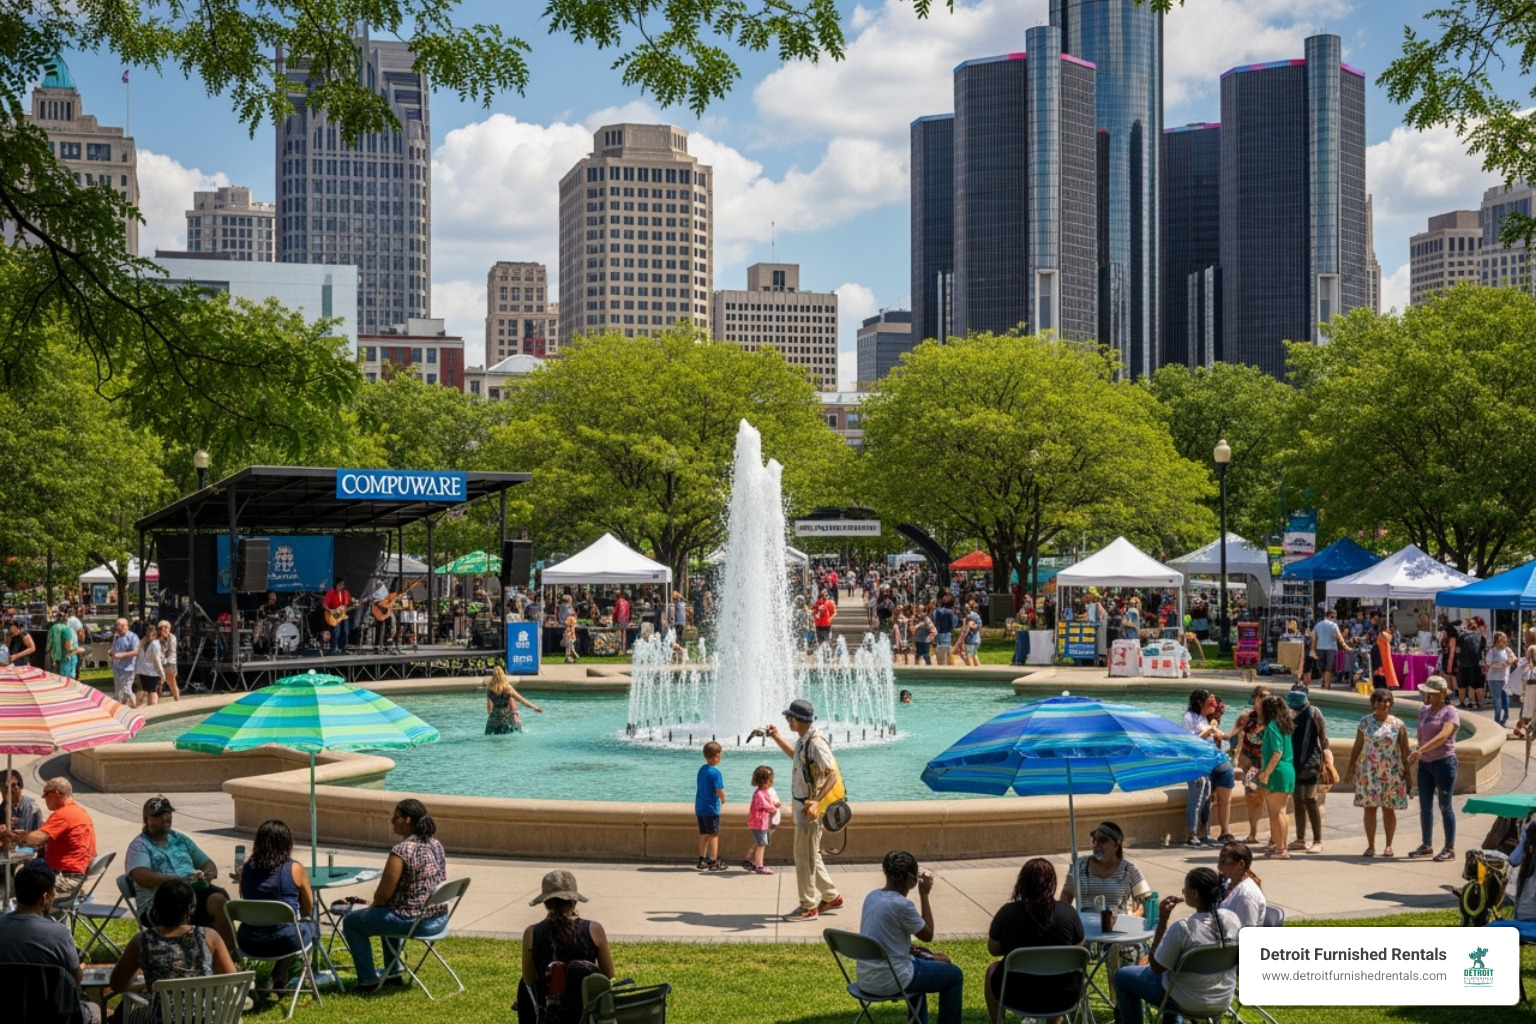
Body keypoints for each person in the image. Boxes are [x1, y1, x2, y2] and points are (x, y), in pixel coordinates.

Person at [341, 798, 450, 991]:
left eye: (396, 817)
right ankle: (393, 972)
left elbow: (383, 895)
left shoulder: (401, 851)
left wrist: (370, 905)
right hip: (439, 918)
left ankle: (368, 980)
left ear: (407, 820)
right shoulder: (436, 844)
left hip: (415, 922)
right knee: (389, 911)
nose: (392, 821)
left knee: (351, 922)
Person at [1113, 868, 1240, 1024]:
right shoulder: (1232, 919)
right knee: (1172, 979)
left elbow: (1156, 968)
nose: (1183, 892)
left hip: (1184, 999)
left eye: (1185, 889)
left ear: (1194, 894)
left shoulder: (1183, 928)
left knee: (1122, 976)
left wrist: (1162, 921)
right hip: (1222, 999)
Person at [856, 851, 963, 1024]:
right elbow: (927, 935)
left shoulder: (872, 897)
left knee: (917, 967)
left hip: (866, 978)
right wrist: (924, 894)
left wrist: (928, 958)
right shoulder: (902, 905)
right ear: (911, 879)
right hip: (893, 979)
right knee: (954, 975)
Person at [110, 878, 238, 1018]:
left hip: (162, 1019)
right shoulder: (210, 937)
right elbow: (230, 978)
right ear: (192, 909)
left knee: (120, 1015)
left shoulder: (141, 942)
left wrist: (144, 985)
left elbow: (117, 984)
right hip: (205, 1018)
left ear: (156, 908)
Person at [765, 699, 842, 920]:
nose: (788, 721)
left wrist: (817, 801)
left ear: (798, 720)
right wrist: (777, 737)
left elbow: (832, 774)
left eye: (789, 717)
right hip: (802, 806)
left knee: (804, 858)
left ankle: (808, 907)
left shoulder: (816, 743)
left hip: (810, 809)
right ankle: (831, 896)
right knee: (810, 855)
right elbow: (795, 757)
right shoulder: (803, 741)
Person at [125, 796, 234, 952]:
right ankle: (207, 957)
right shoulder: (140, 845)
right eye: (160, 815)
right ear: (148, 820)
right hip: (159, 903)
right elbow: (140, 875)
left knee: (218, 898)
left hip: (189, 894)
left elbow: (207, 864)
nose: (166, 817)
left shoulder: (180, 839)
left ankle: (230, 956)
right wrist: (174, 880)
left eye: (168, 813)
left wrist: (208, 874)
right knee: (208, 905)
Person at [984, 858, 1083, 1021]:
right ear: (1052, 883)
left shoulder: (1008, 913)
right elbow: (1079, 949)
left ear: (1021, 883)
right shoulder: (1068, 913)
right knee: (1061, 973)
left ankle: (998, 1021)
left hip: (1016, 996)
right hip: (1061, 997)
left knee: (992, 970)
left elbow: (993, 949)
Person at [0, 861, 99, 1023]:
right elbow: (76, 978)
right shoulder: (59, 934)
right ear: (45, 897)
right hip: (51, 1016)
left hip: (7, 1013)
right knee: (95, 1009)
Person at [517, 870, 615, 1024]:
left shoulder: (531, 933)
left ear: (545, 903)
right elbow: (608, 975)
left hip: (549, 1016)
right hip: (586, 1015)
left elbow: (529, 979)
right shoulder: (594, 929)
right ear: (574, 901)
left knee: (523, 986)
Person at [236, 820, 316, 994]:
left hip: (248, 942)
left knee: (286, 928)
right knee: (307, 924)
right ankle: (282, 971)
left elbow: (244, 895)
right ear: (287, 843)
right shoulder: (295, 869)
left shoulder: (247, 868)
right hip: (283, 943)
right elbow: (309, 908)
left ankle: (280, 972)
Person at [1346, 688, 1411, 857]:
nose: (1383, 704)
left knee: (1389, 809)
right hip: (1369, 771)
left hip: (1392, 772)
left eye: (1387, 701)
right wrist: (1351, 768)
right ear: (1373, 703)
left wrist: (1409, 774)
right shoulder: (1365, 722)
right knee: (1370, 808)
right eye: (1379, 701)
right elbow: (1357, 746)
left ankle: (1389, 845)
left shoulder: (1398, 724)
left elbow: (1405, 750)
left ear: (1391, 703)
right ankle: (1371, 846)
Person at [5, 777, 96, 897]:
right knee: (26, 874)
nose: (44, 798)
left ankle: (21, 914)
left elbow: (37, 839)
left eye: (46, 794)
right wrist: (26, 835)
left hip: (67, 878)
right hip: (79, 875)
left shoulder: (64, 814)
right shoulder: (79, 811)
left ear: (56, 793)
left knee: (22, 884)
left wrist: (14, 837)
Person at [1406, 675, 1460, 862]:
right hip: (1426, 764)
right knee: (1425, 806)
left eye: (1430, 692)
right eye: (1426, 691)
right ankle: (1426, 844)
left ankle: (1449, 847)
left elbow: (1444, 735)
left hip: (1444, 763)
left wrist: (1420, 751)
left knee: (1445, 806)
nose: (1426, 695)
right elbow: (1421, 734)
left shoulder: (1450, 712)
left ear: (1441, 694)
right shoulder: (1424, 710)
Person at [1060, 821, 1151, 915]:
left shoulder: (1128, 869)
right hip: (1085, 925)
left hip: (1118, 925)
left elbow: (1146, 900)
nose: (1097, 844)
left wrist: (1135, 915)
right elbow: (1066, 897)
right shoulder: (1080, 865)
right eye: (1094, 839)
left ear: (1116, 845)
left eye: (1102, 840)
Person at [1180, 690, 1234, 847]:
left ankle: (1203, 832)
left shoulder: (1203, 718)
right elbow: (1189, 741)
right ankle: (1192, 834)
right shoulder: (1188, 717)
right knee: (1197, 797)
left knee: (1206, 797)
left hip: (1206, 763)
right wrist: (1208, 731)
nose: (1211, 707)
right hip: (1195, 763)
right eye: (1208, 703)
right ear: (1200, 703)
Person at [1284, 685, 1332, 855]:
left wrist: (1325, 763)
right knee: (1297, 800)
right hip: (1292, 761)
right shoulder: (1287, 713)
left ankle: (1318, 840)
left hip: (1311, 761)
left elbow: (1323, 738)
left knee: (1310, 799)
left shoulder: (1314, 713)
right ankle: (1300, 838)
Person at [1256, 695, 1296, 858]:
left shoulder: (1272, 726)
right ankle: (1281, 845)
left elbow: (1276, 752)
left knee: (1276, 812)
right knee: (1281, 811)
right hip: (1287, 770)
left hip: (1277, 772)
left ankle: (1281, 849)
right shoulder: (1284, 725)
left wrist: (1266, 773)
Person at [1232, 686, 1270, 843]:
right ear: (1255, 699)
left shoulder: (1273, 720)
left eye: (1268, 696)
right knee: (1252, 798)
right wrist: (1237, 759)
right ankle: (1253, 833)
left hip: (1269, 766)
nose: (1265, 698)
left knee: (1270, 800)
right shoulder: (1248, 718)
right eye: (1262, 696)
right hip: (1252, 766)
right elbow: (1235, 737)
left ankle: (1274, 836)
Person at [1216, 841, 1266, 928]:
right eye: (1220, 861)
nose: (1219, 867)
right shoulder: (1228, 884)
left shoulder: (1246, 897)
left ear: (1241, 864)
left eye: (1224, 862)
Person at [743, 765, 780, 875]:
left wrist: (773, 803)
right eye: (769, 781)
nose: (771, 783)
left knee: (760, 842)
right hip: (759, 824)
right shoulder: (759, 793)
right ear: (762, 781)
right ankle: (759, 865)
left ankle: (751, 860)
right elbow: (765, 805)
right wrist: (774, 807)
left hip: (761, 823)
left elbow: (767, 803)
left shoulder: (762, 792)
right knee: (761, 844)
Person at [695, 742, 725, 871]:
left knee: (704, 834)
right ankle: (713, 861)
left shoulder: (702, 769)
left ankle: (702, 859)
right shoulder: (716, 773)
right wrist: (723, 799)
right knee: (713, 835)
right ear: (717, 756)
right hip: (711, 808)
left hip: (700, 807)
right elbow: (719, 790)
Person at [486, 665, 543, 735]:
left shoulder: (490, 688)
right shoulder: (508, 688)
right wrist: (535, 707)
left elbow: (489, 708)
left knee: (491, 736)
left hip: (494, 717)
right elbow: (521, 700)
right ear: (503, 675)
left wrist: (492, 714)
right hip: (506, 716)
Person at [1311, 608, 1348, 690]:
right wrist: (1346, 646)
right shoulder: (1333, 625)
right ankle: (1327, 685)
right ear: (1332, 616)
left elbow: (1313, 638)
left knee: (1322, 668)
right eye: (1335, 617)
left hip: (1320, 648)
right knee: (1329, 668)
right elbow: (1340, 637)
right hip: (1331, 649)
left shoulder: (1318, 625)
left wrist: (1313, 649)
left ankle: (1323, 682)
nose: (1335, 619)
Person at [1486, 631, 1517, 727]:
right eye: (1500, 642)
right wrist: (1503, 664)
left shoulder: (1507, 650)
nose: (1502, 644)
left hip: (1505, 679)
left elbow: (1514, 659)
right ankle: (1497, 721)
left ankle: (1505, 716)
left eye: (1504, 642)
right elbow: (1489, 664)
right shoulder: (1492, 652)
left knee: (1506, 700)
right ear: (1495, 642)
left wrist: (1511, 660)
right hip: (1494, 679)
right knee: (1497, 700)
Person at [1455, 619, 1487, 710]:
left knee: (1462, 685)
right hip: (1476, 664)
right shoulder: (1481, 637)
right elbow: (1483, 650)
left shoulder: (1462, 637)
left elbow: (1457, 650)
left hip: (1464, 664)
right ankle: (1479, 704)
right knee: (1478, 685)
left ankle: (1462, 703)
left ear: (1467, 626)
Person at [3, 768, 43, 838]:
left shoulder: (31, 807)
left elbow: (40, 833)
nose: (4, 792)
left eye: (8, 787)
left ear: (18, 787)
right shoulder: (2, 808)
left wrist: (26, 835)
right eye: (3, 788)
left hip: (27, 846)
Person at [108, 618, 138, 706]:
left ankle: (134, 706)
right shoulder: (116, 637)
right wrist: (111, 653)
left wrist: (122, 655)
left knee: (126, 690)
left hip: (128, 668)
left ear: (126, 626)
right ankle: (119, 707)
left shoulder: (133, 637)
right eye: (117, 625)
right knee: (118, 691)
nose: (118, 628)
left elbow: (136, 651)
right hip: (117, 668)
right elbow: (114, 649)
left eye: (121, 625)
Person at [134, 627, 165, 708]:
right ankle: (153, 709)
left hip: (141, 671)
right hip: (152, 672)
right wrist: (162, 674)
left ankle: (146, 707)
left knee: (146, 691)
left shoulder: (141, 643)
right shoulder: (155, 644)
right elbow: (157, 660)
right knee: (153, 692)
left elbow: (137, 657)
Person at [47, 608, 82, 680]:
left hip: (55, 658)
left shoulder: (52, 628)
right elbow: (68, 647)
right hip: (67, 659)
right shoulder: (66, 629)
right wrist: (77, 649)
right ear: (66, 620)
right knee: (68, 682)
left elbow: (48, 645)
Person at [323, 577, 353, 653]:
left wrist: (353, 605)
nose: (342, 586)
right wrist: (330, 610)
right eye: (340, 584)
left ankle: (344, 648)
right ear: (336, 584)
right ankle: (334, 648)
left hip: (342, 615)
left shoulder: (345, 593)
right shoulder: (331, 592)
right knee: (337, 631)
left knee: (346, 631)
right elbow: (324, 604)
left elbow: (345, 606)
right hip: (334, 614)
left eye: (343, 584)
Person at [154, 621, 180, 701]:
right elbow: (156, 653)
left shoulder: (172, 638)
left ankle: (177, 699)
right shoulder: (155, 638)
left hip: (169, 663)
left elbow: (171, 653)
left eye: (166, 628)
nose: (163, 630)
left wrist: (164, 664)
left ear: (169, 629)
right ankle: (156, 700)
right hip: (157, 662)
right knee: (155, 683)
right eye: (161, 628)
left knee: (171, 681)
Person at [932, 595, 958, 667]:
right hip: (947, 639)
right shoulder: (950, 613)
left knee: (941, 666)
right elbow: (953, 625)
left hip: (939, 639)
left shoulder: (936, 611)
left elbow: (934, 622)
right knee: (949, 666)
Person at [963, 601, 983, 667]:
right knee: (974, 654)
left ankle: (971, 670)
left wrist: (963, 637)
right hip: (977, 639)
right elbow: (979, 627)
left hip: (970, 639)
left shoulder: (968, 617)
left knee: (969, 655)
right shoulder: (977, 616)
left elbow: (967, 629)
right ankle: (979, 668)